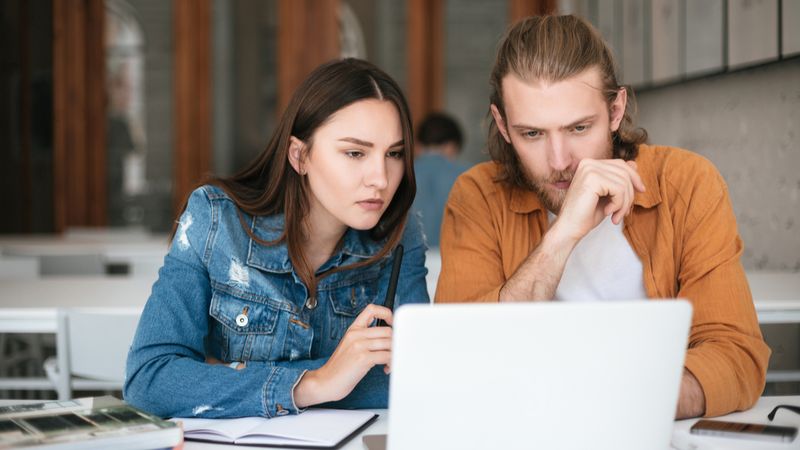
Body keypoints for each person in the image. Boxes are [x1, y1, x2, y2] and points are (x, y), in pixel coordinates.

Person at [435, 15, 769, 419]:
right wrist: (563, 237)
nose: (560, 162)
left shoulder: (688, 183)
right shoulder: (478, 197)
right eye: (532, 134)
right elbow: (454, 360)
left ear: (615, 111)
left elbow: (736, 356)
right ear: (503, 126)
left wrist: (618, 405)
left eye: (578, 128)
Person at [124, 58, 430, 419]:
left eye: (393, 154)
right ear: (299, 156)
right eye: (355, 153)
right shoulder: (215, 220)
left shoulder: (399, 236)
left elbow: (416, 376)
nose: (380, 178)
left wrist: (223, 373)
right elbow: (149, 380)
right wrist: (314, 382)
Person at [412, 112, 467, 246]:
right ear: (452, 146)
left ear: (418, 145)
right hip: (454, 260)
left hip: (405, 261)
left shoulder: (399, 173)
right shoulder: (469, 176)